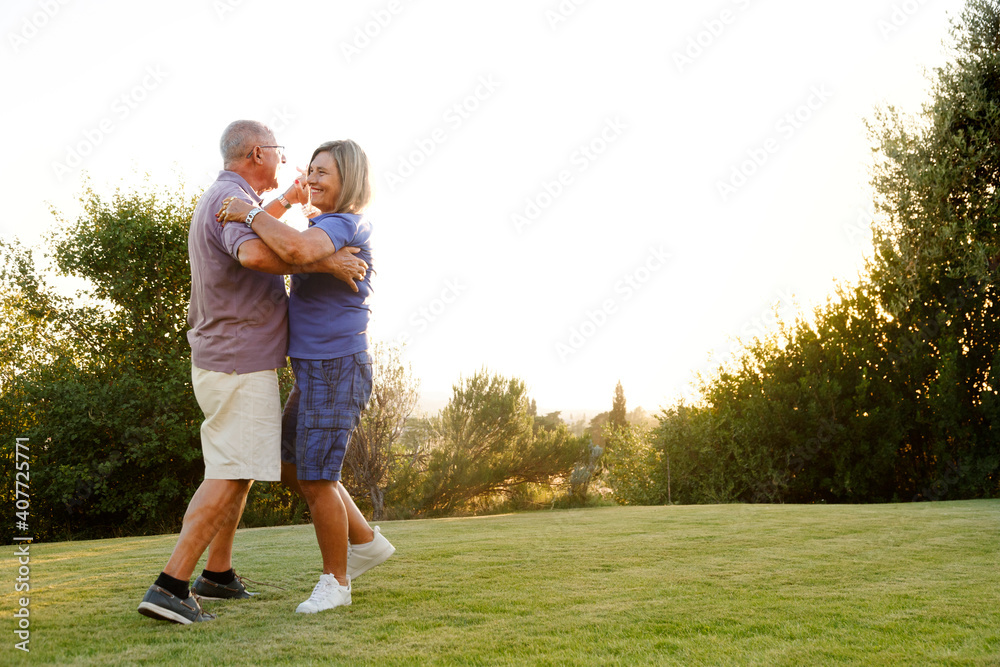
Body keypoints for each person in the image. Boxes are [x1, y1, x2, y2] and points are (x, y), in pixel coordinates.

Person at [137, 121, 368, 625]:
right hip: (239, 358)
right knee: (230, 471)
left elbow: (256, 229)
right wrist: (324, 265)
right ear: (258, 152)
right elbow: (254, 251)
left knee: (238, 469)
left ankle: (216, 575)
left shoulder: (232, 195)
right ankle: (170, 586)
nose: (290, 165)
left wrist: (280, 202)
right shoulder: (232, 198)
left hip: (231, 356)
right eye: (283, 155)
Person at [217, 138, 394, 614]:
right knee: (291, 463)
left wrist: (251, 213)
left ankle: (336, 582)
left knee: (317, 477)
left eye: (324, 173)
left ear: (349, 180)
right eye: (310, 170)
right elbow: (281, 250)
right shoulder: (323, 223)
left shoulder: (345, 222)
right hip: (314, 370)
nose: (312, 179)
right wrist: (286, 207)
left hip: (337, 367)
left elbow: (292, 247)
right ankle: (366, 543)